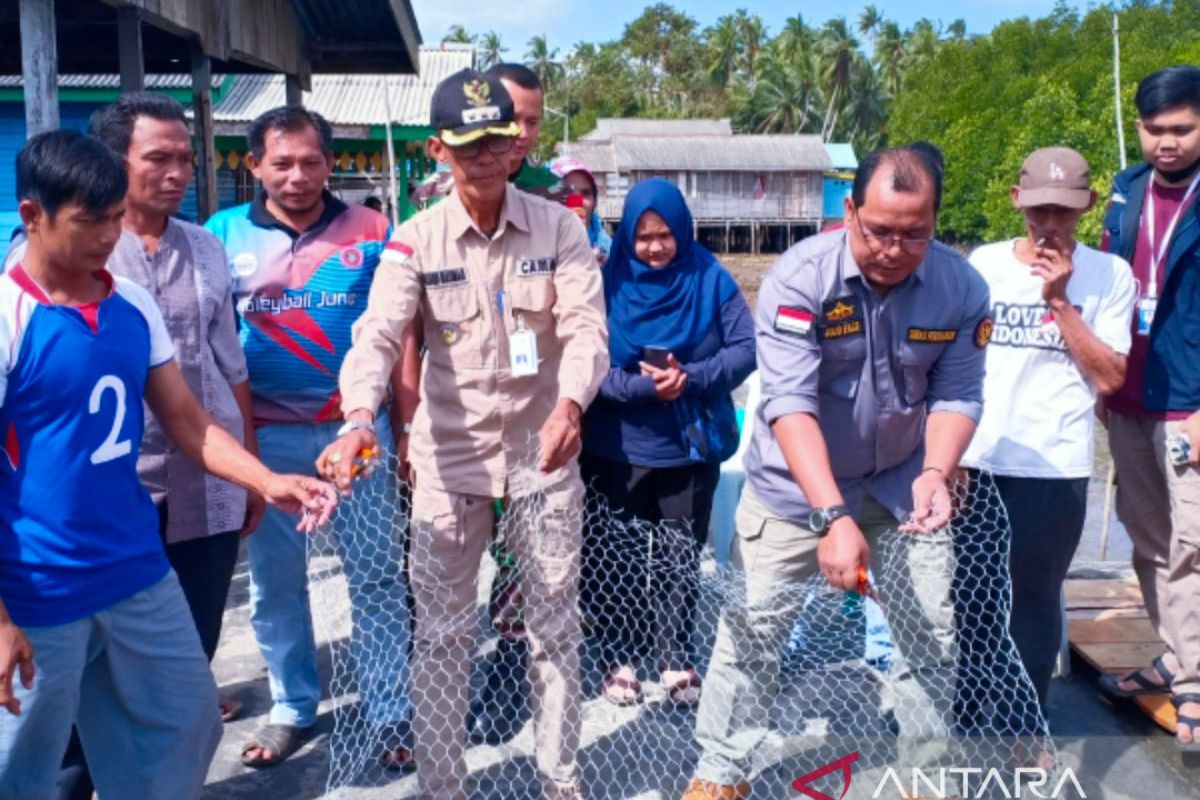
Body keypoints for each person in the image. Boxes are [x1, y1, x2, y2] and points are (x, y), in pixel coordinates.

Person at [0, 130, 335, 800]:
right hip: (36, 584)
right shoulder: (10, 314)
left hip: (133, 566)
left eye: (114, 218)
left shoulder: (130, 302)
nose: (106, 236)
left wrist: (267, 481)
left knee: (183, 724)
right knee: (22, 764)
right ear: (32, 217)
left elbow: (188, 422)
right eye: (88, 221)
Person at [319, 68, 608, 800]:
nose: (483, 156)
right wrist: (361, 419)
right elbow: (377, 336)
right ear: (440, 149)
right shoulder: (413, 241)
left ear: (515, 144)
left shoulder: (560, 228)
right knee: (444, 638)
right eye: (466, 144)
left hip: (543, 457)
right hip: (448, 464)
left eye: (496, 140)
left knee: (553, 631)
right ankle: (443, 787)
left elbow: (586, 332)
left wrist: (571, 405)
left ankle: (559, 781)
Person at [680, 147, 990, 800]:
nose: (895, 249)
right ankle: (723, 771)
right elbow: (788, 403)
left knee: (928, 637)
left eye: (915, 233)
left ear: (936, 220)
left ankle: (923, 778)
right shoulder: (799, 278)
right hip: (793, 493)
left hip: (904, 484)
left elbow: (959, 393)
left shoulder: (961, 289)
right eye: (880, 230)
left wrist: (938, 470)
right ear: (850, 212)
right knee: (752, 633)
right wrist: (832, 516)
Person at [204, 105, 414, 769]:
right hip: (265, 440)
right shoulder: (221, 234)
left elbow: (400, 335)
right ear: (254, 165)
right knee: (275, 584)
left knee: (378, 578)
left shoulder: (374, 230)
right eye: (281, 162)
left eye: (311, 161)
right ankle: (293, 706)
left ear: (331, 162)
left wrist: (401, 430)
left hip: (358, 434)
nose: (297, 176)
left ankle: (391, 712)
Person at [961, 147, 1135, 724]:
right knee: (969, 597)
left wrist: (1059, 301)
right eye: (1039, 210)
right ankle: (963, 714)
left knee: (1033, 601)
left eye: (1064, 211)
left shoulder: (1110, 275)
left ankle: (1022, 721)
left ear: (1087, 206)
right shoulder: (983, 265)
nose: (1050, 224)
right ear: (1016, 200)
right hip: (979, 459)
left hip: (1054, 468)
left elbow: (1110, 375)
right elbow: (950, 359)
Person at [580, 178, 754, 707]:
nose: (654, 247)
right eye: (643, 236)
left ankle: (676, 658)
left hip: (687, 446)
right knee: (619, 557)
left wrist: (693, 378)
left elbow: (746, 348)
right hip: (618, 447)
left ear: (682, 230)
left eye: (664, 235)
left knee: (680, 556)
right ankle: (621, 657)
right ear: (626, 235)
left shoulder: (710, 278)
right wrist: (639, 387)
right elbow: (586, 361)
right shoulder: (605, 283)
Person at [1097, 65, 1200, 751]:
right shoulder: (1125, 190)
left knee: (1193, 547)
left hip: (1191, 402)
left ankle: (1192, 680)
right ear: (1139, 127)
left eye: (1184, 129)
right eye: (1156, 129)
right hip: (1129, 396)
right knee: (1150, 542)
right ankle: (1174, 653)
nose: (1169, 142)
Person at [548, 156, 612, 266]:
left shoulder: (608, 250)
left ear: (594, 202)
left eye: (586, 193)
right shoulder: (534, 247)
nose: (577, 201)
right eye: (566, 192)